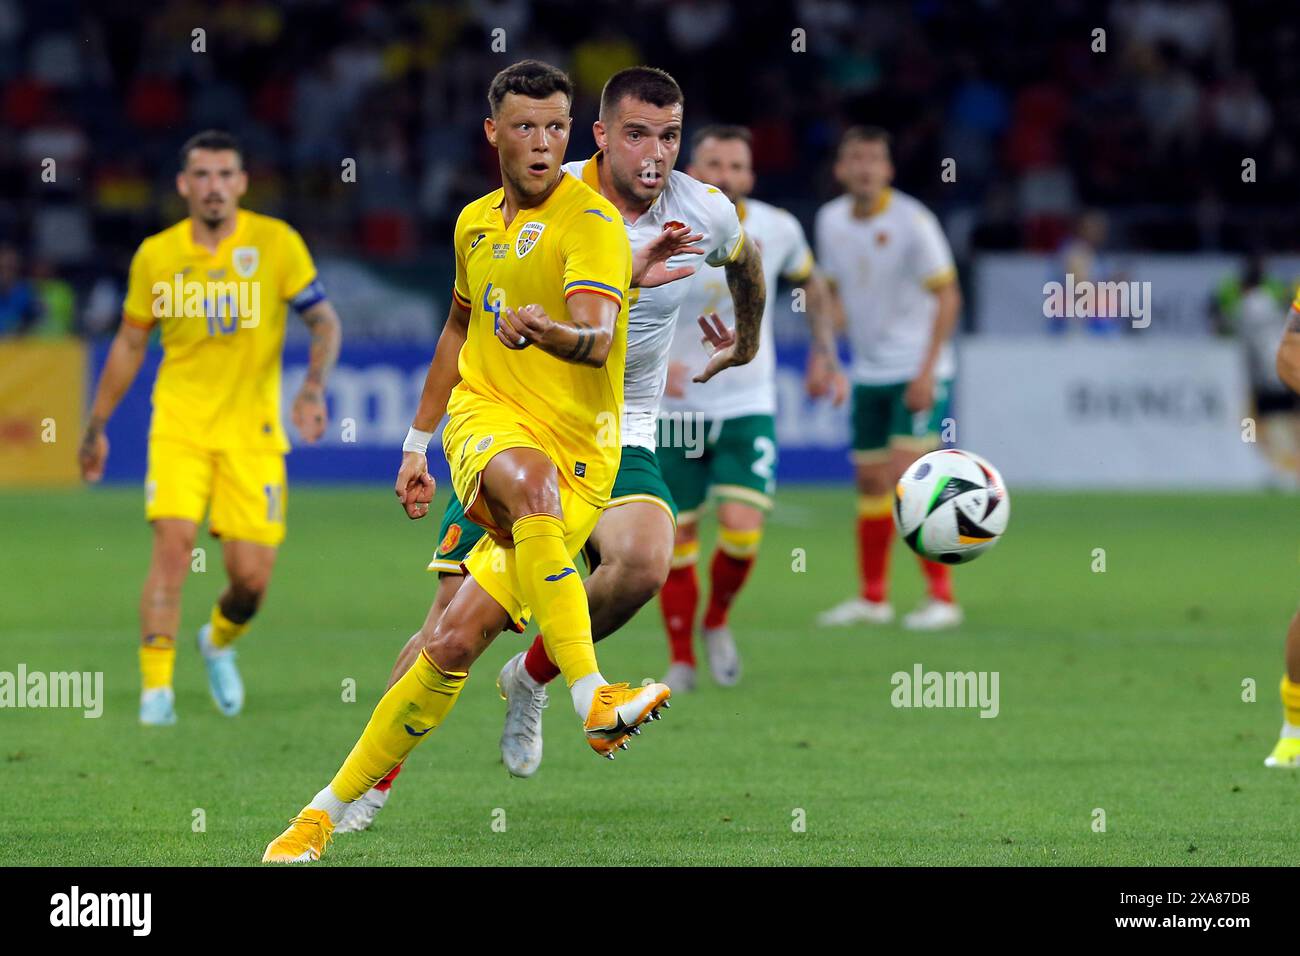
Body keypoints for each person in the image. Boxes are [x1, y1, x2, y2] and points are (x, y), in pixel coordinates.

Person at [262, 60, 681, 863]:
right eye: (525, 126)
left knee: (451, 644)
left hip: (583, 456)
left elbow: (596, 335)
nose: (542, 143)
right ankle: (594, 698)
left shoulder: (589, 222)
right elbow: (458, 331)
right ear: (493, 131)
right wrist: (417, 443)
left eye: (557, 127)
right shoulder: (472, 224)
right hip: (488, 423)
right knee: (526, 487)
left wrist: (551, 333)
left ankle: (323, 810)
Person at [333, 65, 766, 835]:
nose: (655, 155)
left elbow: (749, 262)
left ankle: (535, 679)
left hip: (615, 428)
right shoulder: (549, 193)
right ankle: (374, 781)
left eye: (670, 137)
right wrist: (419, 441)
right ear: (601, 136)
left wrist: (747, 338)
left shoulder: (704, 211)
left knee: (643, 562)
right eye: (637, 135)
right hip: (519, 421)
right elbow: (463, 323)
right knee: (450, 630)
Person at [79, 129, 342, 725]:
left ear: (243, 183)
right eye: (202, 175)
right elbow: (127, 342)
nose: (214, 186)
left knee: (250, 581)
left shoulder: (276, 244)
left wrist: (312, 387)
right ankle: (156, 694)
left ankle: (217, 641)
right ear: (183, 185)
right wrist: (95, 425)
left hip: (252, 434)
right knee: (172, 548)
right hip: (179, 427)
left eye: (226, 175)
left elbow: (324, 322)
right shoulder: (157, 255)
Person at [656, 124, 842, 690]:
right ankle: (681, 658)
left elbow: (814, 287)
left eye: (737, 166)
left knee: (741, 530)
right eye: (714, 164)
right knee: (675, 543)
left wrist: (825, 356)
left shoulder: (778, 228)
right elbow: (615, 298)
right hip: (675, 411)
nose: (726, 176)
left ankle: (716, 621)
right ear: (693, 168)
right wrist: (650, 362)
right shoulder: (659, 224)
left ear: (751, 175)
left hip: (746, 402)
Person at [814, 126, 965, 631]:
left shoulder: (913, 222)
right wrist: (824, 352)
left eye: (873, 159)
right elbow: (834, 298)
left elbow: (948, 296)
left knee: (910, 478)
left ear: (888, 170)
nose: (864, 168)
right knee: (871, 481)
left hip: (916, 368)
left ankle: (941, 598)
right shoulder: (829, 220)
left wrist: (926, 372)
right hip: (869, 370)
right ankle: (873, 599)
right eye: (854, 158)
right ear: (840, 169)